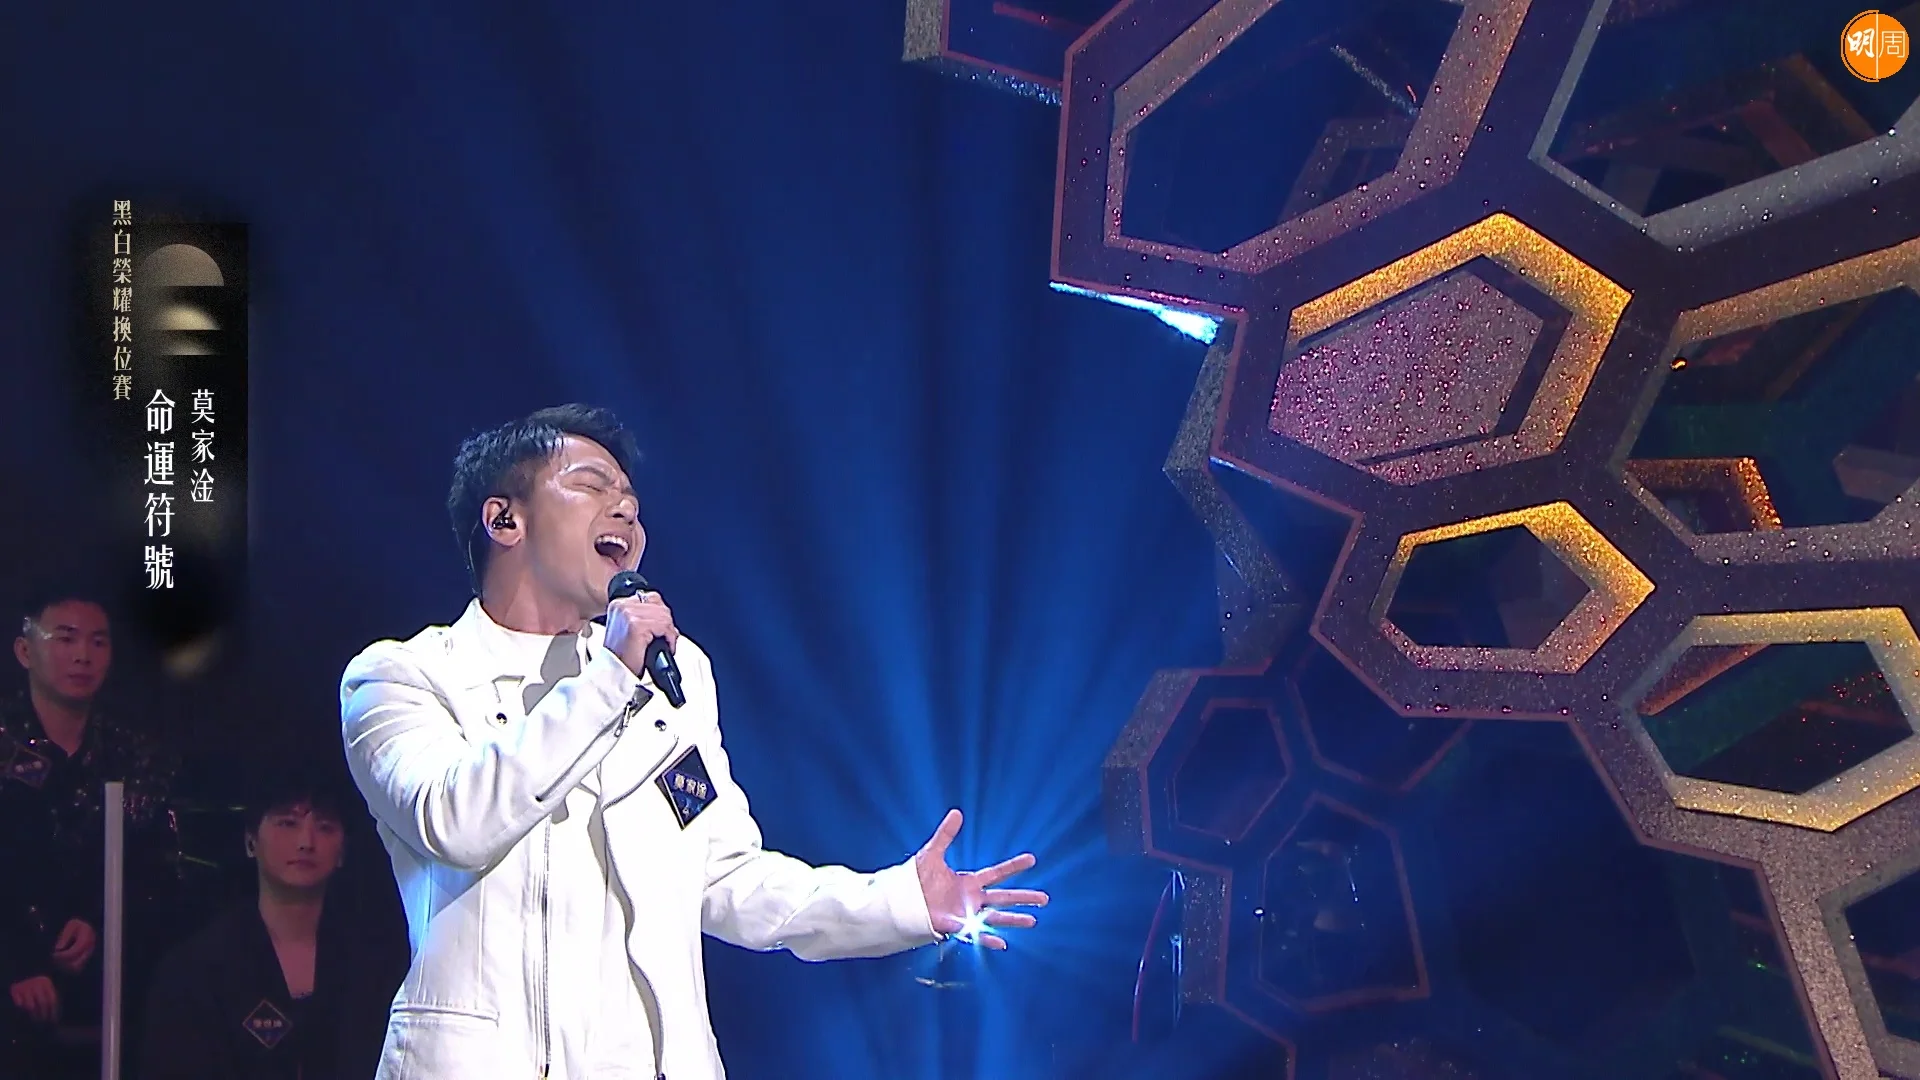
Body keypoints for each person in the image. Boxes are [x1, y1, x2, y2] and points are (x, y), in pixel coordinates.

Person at [341, 404, 1048, 1079]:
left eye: (631, 500)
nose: (625, 510)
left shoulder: (672, 678)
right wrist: (610, 678)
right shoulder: (403, 677)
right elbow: (455, 820)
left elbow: (726, 877)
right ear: (505, 519)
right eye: (591, 486)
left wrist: (897, 902)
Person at [1, 585, 181, 1078]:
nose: (83, 655)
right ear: (25, 651)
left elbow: (160, 868)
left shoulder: (135, 754)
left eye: (98, 641)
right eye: (65, 638)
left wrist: (98, 919)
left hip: (112, 975)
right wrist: (16, 962)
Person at [137, 769, 407, 1080]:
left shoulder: (375, 963)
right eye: (288, 823)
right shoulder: (198, 967)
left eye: (325, 827)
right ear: (251, 841)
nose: (306, 842)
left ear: (342, 851)